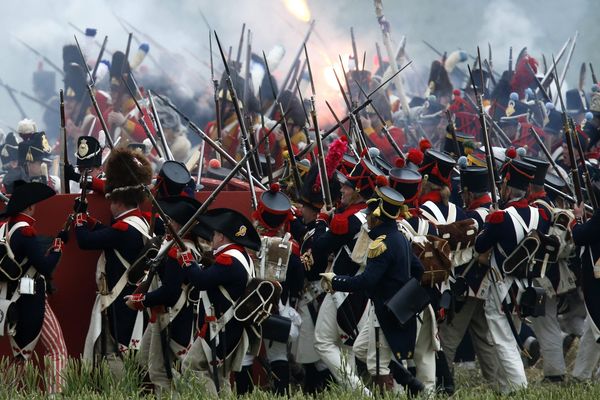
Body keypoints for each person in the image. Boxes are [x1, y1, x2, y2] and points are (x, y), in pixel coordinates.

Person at [320, 179, 424, 395]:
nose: (366, 217)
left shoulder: (381, 244)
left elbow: (367, 281)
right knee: (359, 349)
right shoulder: (400, 237)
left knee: (377, 366)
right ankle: (408, 381)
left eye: (369, 215)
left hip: (385, 310)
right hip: (390, 307)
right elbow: (418, 270)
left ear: (377, 217)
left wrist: (335, 280)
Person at [474, 157, 548, 393]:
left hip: (502, 287)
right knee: (510, 337)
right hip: (526, 286)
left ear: (506, 186)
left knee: (504, 341)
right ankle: (505, 389)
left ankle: (519, 389)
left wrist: (489, 221)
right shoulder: (541, 216)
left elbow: (480, 245)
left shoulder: (500, 217)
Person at [310, 156, 382, 394]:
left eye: (347, 186)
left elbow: (320, 246)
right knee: (347, 346)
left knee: (322, 342)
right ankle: (353, 392)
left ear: (358, 191)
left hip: (341, 288)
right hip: (362, 289)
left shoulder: (347, 221)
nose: (341, 188)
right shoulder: (370, 215)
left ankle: (361, 393)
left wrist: (321, 221)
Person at [75, 148, 153, 366]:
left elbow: (85, 242)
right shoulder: (139, 223)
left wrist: (80, 219)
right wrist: (92, 223)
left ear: (118, 202)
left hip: (119, 298)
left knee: (114, 352)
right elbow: (110, 237)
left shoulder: (124, 229)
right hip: (130, 294)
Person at [180, 208, 262, 395]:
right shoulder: (242, 257)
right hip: (230, 327)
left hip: (221, 327)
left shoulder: (227, 259)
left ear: (223, 237)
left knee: (192, 368)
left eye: (216, 233)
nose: (212, 237)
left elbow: (200, 281)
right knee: (220, 376)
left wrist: (187, 261)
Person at [127, 196, 204, 393]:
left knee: (162, 372)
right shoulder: (178, 246)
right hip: (167, 314)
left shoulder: (177, 251)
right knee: (147, 362)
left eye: (173, 221)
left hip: (172, 315)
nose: (168, 224)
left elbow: (170, 292)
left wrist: (142, 300)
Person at [0, 181, 67, 393]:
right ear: (29, 207)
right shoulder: (26, 232)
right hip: (29, 300)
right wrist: (58, 247)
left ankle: (8, 395)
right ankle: (56, 395)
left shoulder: (5, 228)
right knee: (57, 350)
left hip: (10, 300)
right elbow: (46, 267)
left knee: (20, 358)